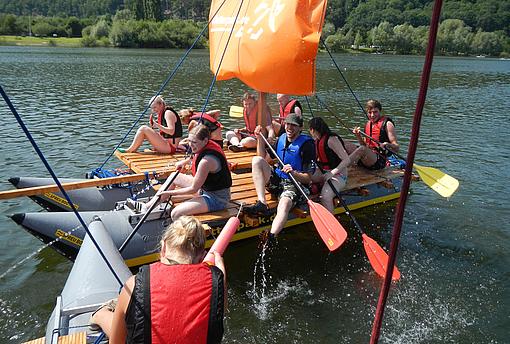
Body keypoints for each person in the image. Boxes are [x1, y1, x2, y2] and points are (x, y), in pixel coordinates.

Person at [90, 216, 226, 344]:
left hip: (134, 299)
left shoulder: (134, 284)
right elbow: (217, 313)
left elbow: (116, 342)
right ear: (202, 257)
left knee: (128, 325)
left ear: (163, 248)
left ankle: (100, 315)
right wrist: (221, 277)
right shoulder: (217, 283)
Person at [131, 124, 232, 220]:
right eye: (189, 141)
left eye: (195, 142)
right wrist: (185, 161)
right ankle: (148, 207)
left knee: (175, 213)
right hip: (204, 189)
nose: (191, 145)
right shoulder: (204, 146)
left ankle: (187, 234)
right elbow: (195, 155)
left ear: (205, 140)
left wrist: (168, 192)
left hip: (217, 199)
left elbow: (193, 189)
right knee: (174, 176)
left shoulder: (206, 161)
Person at [244, 113, 315, 240]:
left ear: (300, 128)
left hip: (295, 184)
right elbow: (263, 158)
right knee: (256, 161)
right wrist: (259, 138)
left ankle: (271, 236)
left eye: (294, 125)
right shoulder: (281, 139)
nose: (290, 127)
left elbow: (308, 178)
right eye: (288, 124)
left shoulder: (307, 145)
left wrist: (293, 173)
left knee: (284, 204)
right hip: (278, 180)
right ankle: (262, 203)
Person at [308, 117, 365, 212]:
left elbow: (346, 160)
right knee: (305, 177)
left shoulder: (332, 140)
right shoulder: (318, 140)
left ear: (312, 130)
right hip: (324, 172)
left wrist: (332, 173)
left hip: (339, 175)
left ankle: (330, 223)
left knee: (325, 196)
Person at [353, 99, 399, 170]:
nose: (372, 115)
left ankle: (340, 168)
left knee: (362, 149)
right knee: (346, 145)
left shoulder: (388, 124)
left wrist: (388, 144)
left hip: (379, 161)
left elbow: (396, 147)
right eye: (370, 112)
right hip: (368, 158)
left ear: (380, 111)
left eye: (375, 112)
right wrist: (358, 136)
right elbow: (364, 145)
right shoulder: (368, 124)